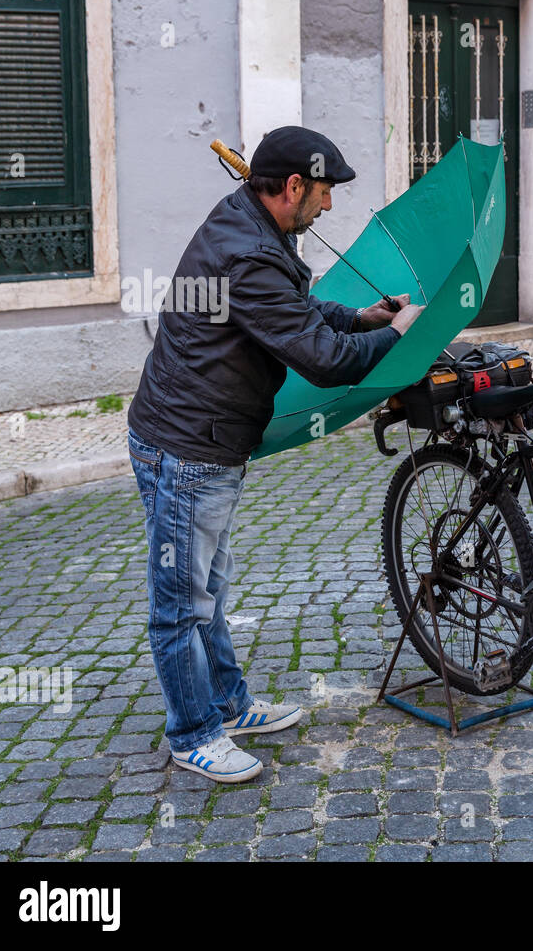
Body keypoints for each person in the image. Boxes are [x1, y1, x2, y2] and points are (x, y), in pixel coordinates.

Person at [126, 126, 423, 782]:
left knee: (208, 588)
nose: (330, 206)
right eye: (324, 192)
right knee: (180, 603)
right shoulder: (249, 255)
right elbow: (319, 360)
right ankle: (193, 732)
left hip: (205, 442)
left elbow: (295, 309)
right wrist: (398, 336)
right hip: (184, 445)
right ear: (293, 188)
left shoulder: (254, 231)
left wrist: (363, 318)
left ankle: (228, 705)